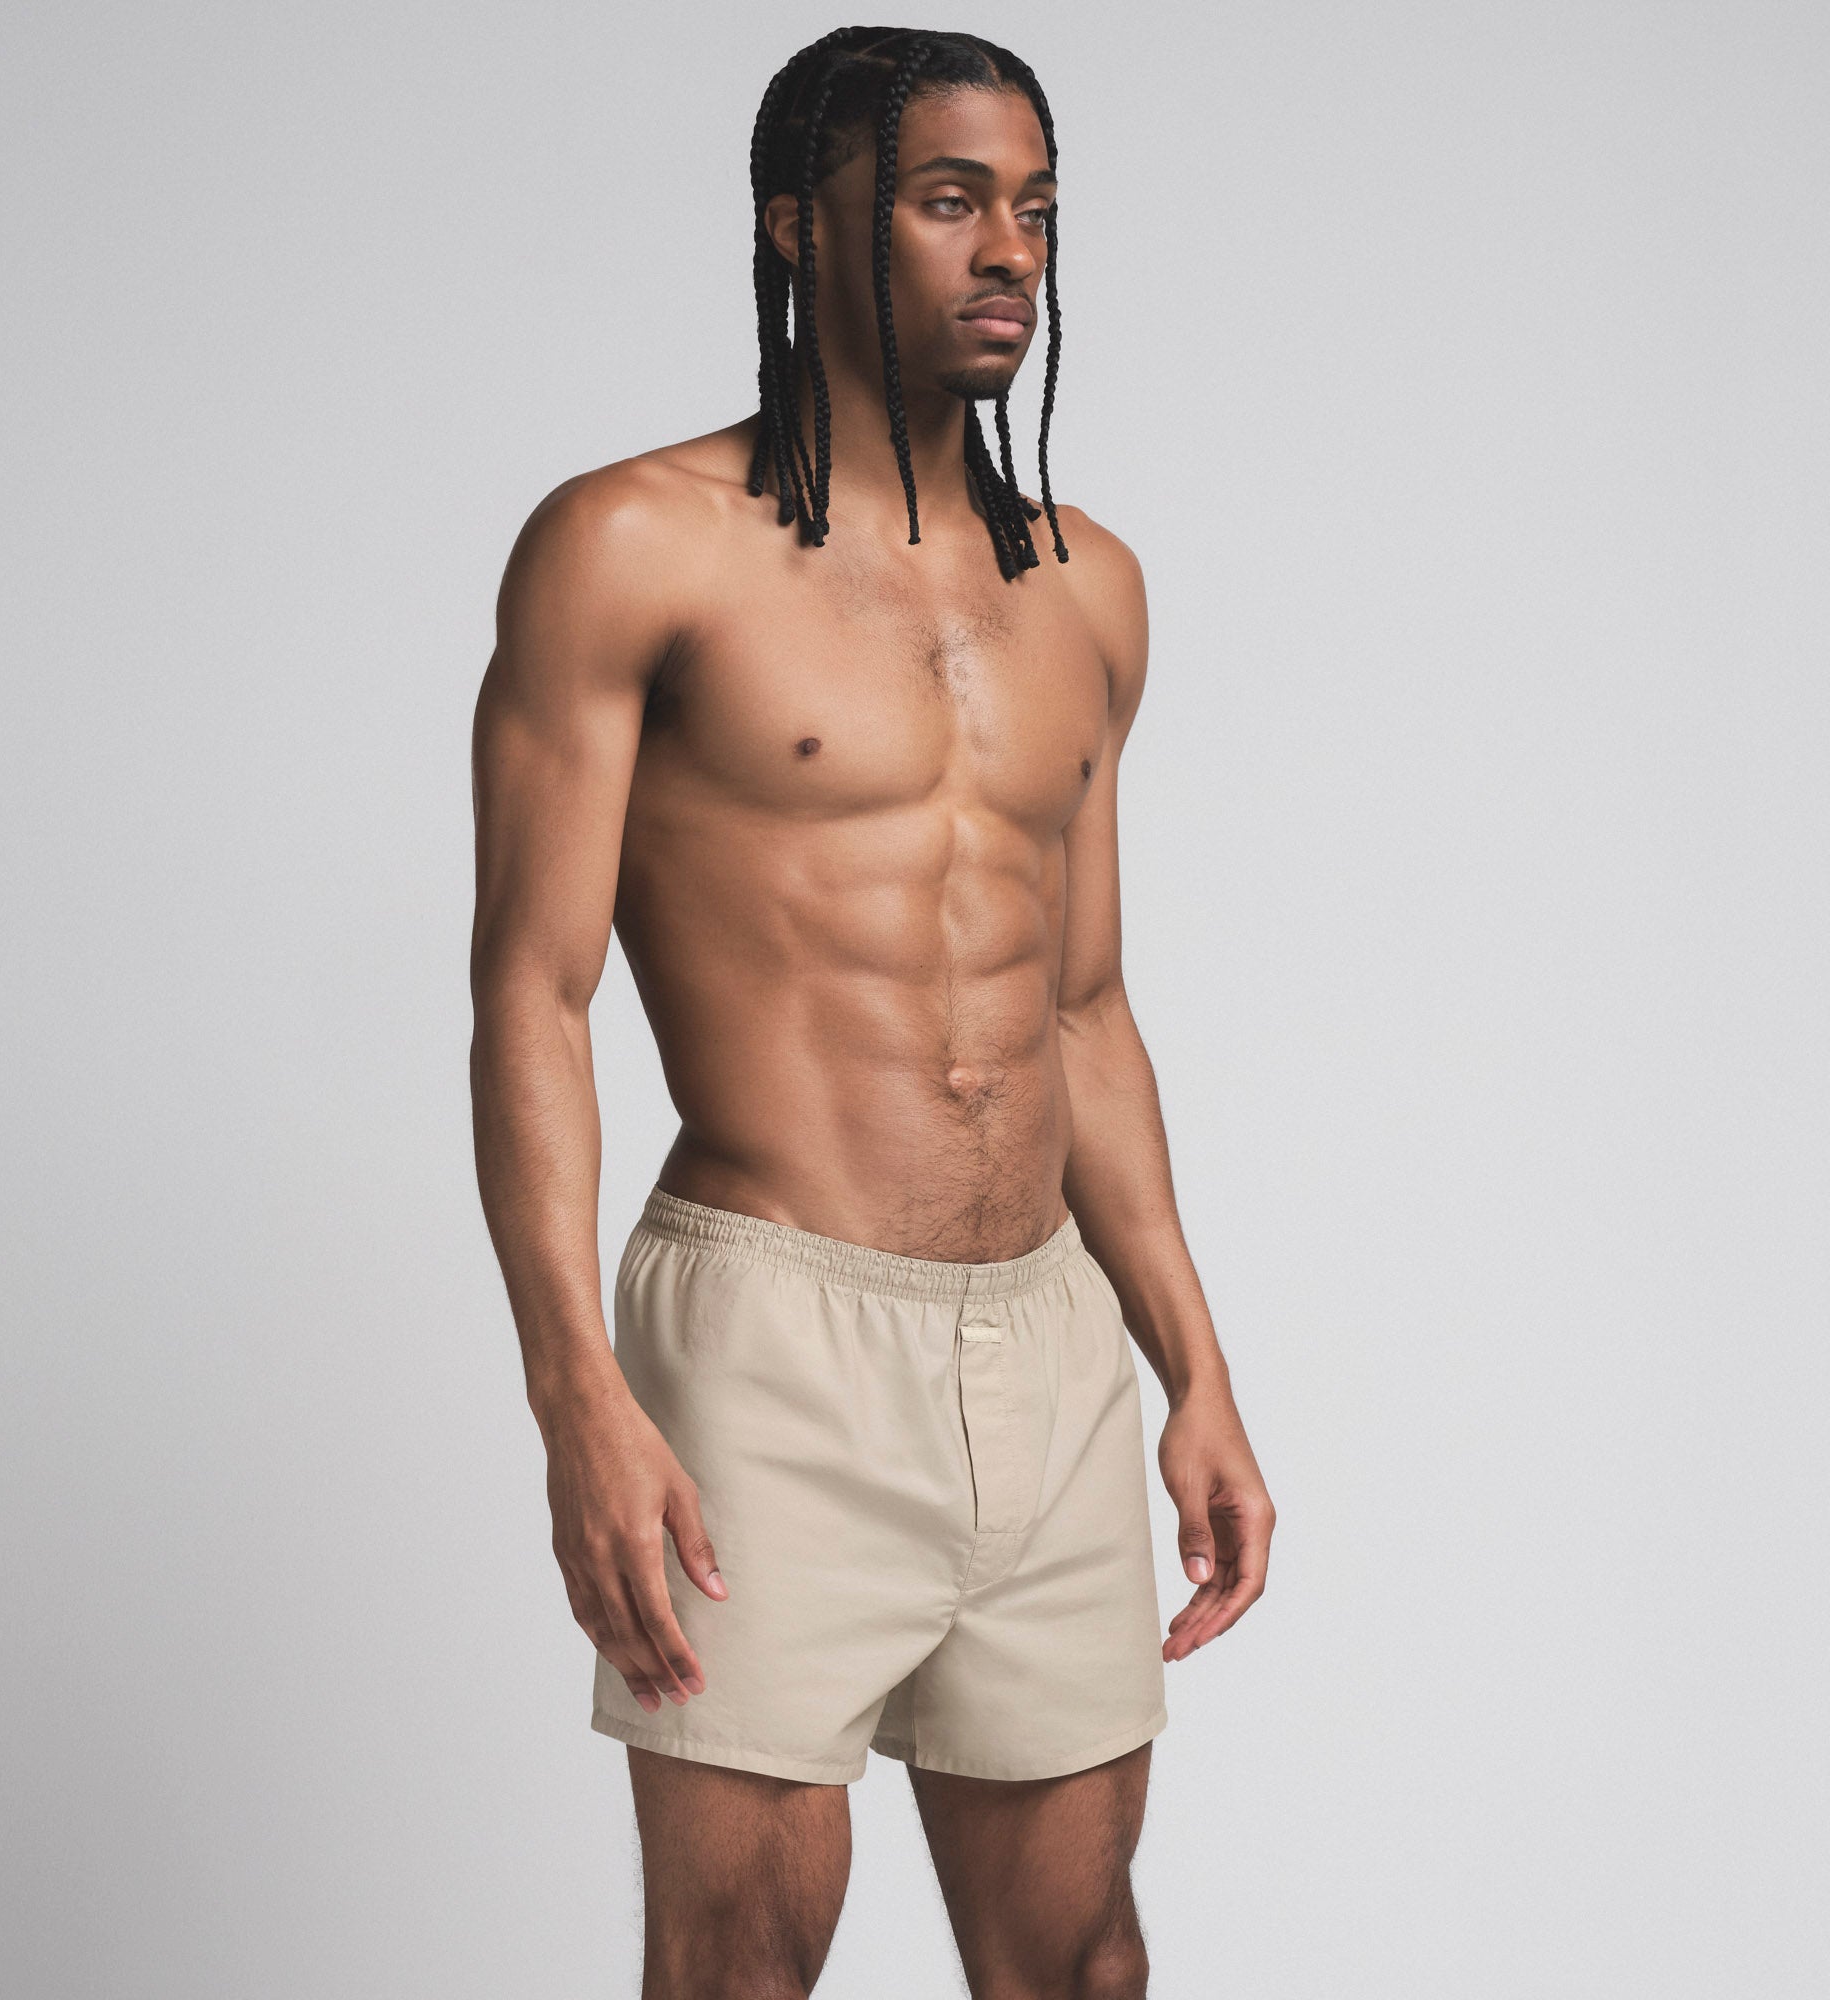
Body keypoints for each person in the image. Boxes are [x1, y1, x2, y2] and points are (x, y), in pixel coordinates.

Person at [469, 26, 1275, 1998]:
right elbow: (530, 991)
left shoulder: (1087, 587)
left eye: (1035, 209)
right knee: (742, 1959)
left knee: (1079, 1959)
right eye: (947, 201)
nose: (1009, 251)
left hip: (1047, 1347)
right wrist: (577, 1395)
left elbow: (1084, 1006)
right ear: (799, 226)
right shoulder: (632, 545)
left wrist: (1194, 1368)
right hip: (772, 1341)